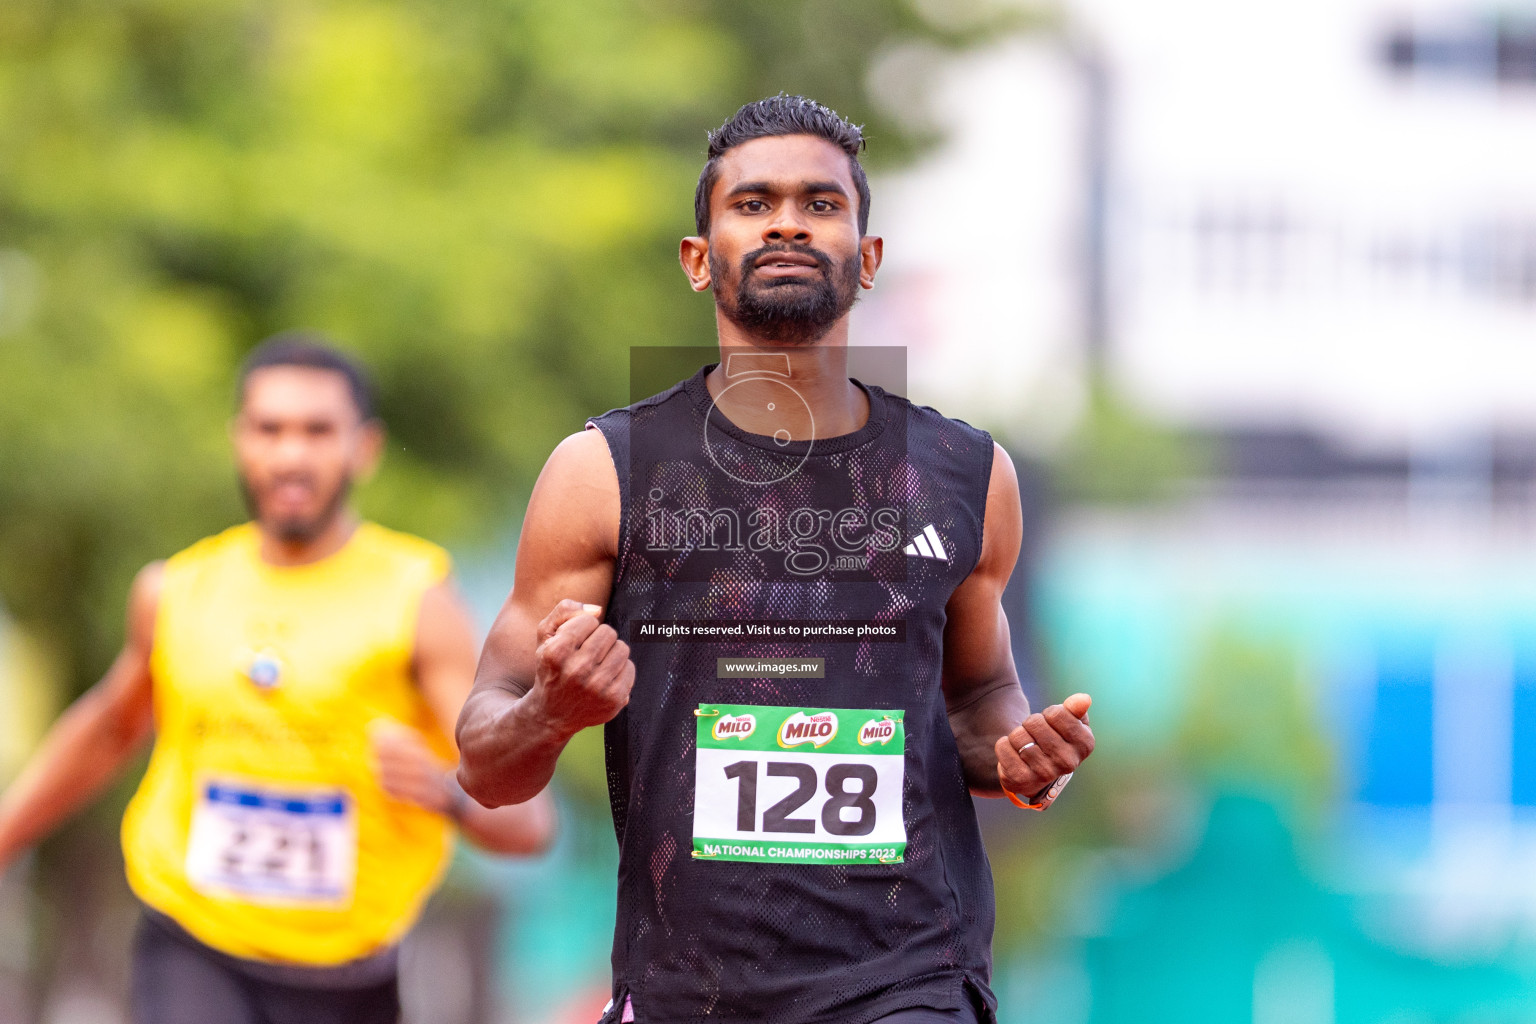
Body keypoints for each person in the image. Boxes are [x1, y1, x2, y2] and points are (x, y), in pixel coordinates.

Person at [456, 95, 1095, 1024]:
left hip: (907, 976)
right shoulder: (604, 474)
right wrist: (554, 711)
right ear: (697, 256)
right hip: (690, 987)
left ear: (867, 260)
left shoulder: (965, 474)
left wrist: (1018, 754)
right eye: (753, 204)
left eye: (821, 204)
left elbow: (978, 695)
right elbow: (486, 762)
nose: (788, 220)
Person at [0, 336, 555, 1024]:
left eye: (318, 431)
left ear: (365, 448)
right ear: (240, 440)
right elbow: (108, 730)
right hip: (191, 936)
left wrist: (448, 796)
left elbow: (528, 823)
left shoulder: (417, 602)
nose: (291, 455)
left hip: (348, 968)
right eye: (270, 429)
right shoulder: (175, 591)